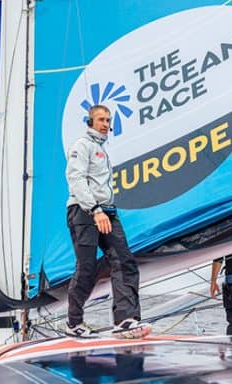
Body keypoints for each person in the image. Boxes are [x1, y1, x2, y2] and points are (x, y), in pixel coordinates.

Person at [64, 104, 151, 339]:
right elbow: (76, 179)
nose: (105, 124)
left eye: (108, 120)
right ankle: (74, 322)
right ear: (90, 122)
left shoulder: (102, 149)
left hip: (108, 211)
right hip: (84, 211)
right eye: (101, 119)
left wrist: (104, 210)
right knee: (87, 268)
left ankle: (125, 320)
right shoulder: (82, 146)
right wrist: (95, 210)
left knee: (124, 261)